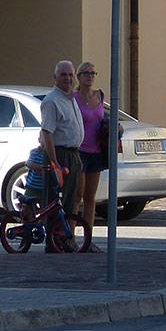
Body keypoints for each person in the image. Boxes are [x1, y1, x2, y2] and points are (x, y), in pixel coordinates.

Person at [40, 60, 85, 253]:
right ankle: (53, 243)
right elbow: (47, 134)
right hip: (58, 155)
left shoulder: (71, 98)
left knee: (70, 200)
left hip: (72, 155)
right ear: (55, 78)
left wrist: (77, 157)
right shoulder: (52, 101)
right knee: (55, 201)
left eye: (70, 75)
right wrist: (54, 162)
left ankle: (65, 240)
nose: (68, 78)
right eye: (63, 75)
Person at [72, 61, 108, 253]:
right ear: (79, 77)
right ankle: (70, 238)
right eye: (86, 73)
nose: (90, 76)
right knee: (77, 195)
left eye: (93, 73)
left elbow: (104, 119)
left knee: (90, 198)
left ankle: (88, 239)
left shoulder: (99, 96)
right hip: (79, 151)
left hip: (96, 151)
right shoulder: (74, 98)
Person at [20, 144, 47, 220]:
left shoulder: (50, 154)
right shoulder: (35, 152)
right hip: (32, 187)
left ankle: (41, 225)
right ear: (39, 140)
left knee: (45, 209)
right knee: (28, 209)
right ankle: (27, 225)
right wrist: (40, 167)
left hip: (43, 188)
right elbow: (29, 164)